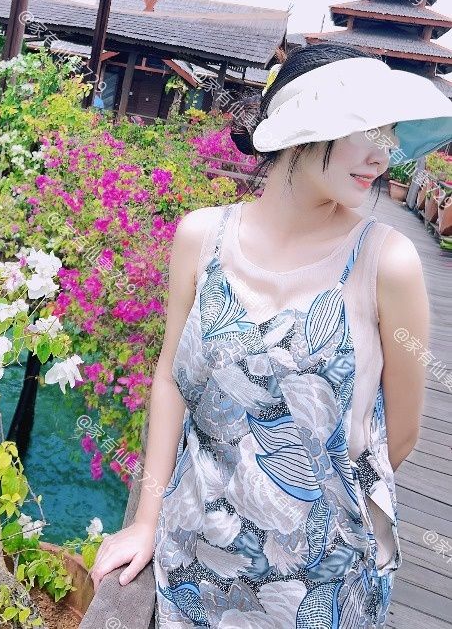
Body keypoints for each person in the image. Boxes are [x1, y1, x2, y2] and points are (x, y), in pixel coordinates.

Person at [88, 43, 452, 627]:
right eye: (364, 129)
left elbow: (399, 437)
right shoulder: (202, 237)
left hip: (324, 583)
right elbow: (171, 381)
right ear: (301, 127)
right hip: (194, 557)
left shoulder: (386, 260)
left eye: (388, 134)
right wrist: (147, 520)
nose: (381, 153)